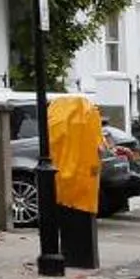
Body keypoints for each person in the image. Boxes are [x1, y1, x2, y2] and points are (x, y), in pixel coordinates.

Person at [48, 94, 103, 270]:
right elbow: (99, 146)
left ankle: (73, 257)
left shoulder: (55, 116)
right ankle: (83, 259)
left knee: (68, 216)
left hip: (64, 180)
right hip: (85, 178)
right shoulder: (87, 113)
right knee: (82, 219)